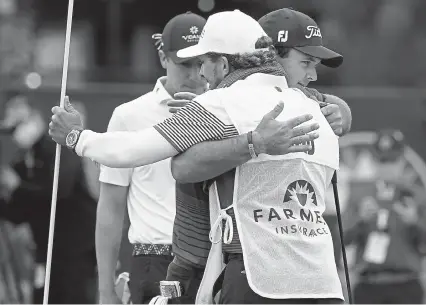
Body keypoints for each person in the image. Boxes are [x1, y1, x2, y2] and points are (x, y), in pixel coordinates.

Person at [49, 9, 344, 304]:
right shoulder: (317, 108)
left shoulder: (219, 103)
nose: (200, 74)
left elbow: (132, 149)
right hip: (323, 282)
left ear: (224, 63)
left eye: (204, 62)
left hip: (259, 281)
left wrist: (76, 137)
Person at [95, 12, 208, 304]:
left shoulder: (227, 110)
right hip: (154, 261)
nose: (195, 75)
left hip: (219, 261)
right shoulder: (129, 116)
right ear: (163, 57)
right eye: (184, 64)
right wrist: (106, 291)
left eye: (202, 63)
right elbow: (110, 205)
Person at [1, 94, 98, 304]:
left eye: (18, 126)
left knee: (72, 296)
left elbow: (57, 190)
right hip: (46, 249)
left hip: (75, 247)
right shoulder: (22, 161)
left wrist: (17, 186)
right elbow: (19, 212)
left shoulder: (57, 148)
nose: (16, 135)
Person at [343, 129, 426, 304]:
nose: (387, 167)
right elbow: (342, 238)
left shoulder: (418, 196)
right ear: (373, 161)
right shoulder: (359, 195)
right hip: (369, 285)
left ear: (402, 161)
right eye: (382, 161)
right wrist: (360, 219)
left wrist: (414, 222)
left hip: (406, 284)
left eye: (392, 161)